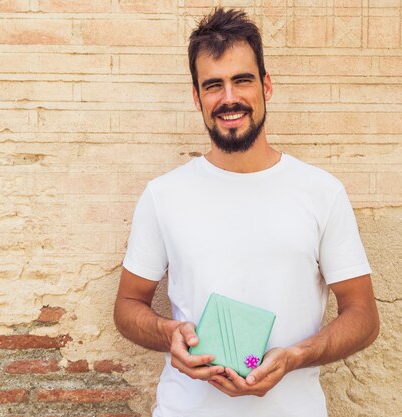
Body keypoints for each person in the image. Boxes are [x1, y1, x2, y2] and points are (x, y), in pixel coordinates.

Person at [114, 7, 379, 417]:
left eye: (242, 80)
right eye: (213, 85)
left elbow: (363, 315)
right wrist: (168, 332)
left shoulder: (321, 192)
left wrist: (297, 355)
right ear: (197, 97)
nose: (229, 98)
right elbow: (128, 305)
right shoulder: (163, 194)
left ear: (266, 86)